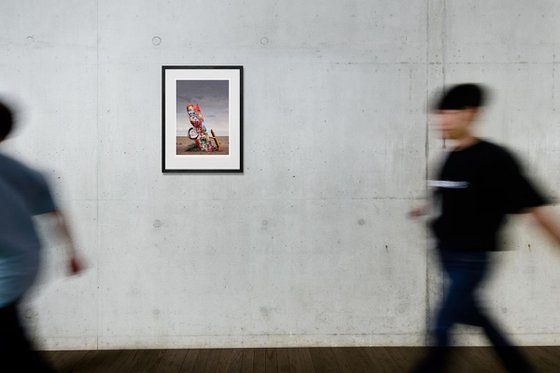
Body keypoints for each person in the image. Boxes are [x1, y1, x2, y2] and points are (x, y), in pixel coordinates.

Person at [409, 83, 560, 373]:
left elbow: (532, 207)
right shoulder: (449, 157)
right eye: (439, 114)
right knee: (480, 318)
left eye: (450, 114)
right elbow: (445, 193)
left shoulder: (495, 158)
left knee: (441, 324)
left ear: (471, 114)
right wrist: (425, 208)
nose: (442, 121)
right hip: (446, 255)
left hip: (472, 260)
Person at [0, 100, 84, 372]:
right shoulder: (20, 171)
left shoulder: (15, 171)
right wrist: (71, 251)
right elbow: (54, 211)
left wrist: (72, 252)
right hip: (22, 261)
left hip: (12, 265)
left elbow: (53, 210)